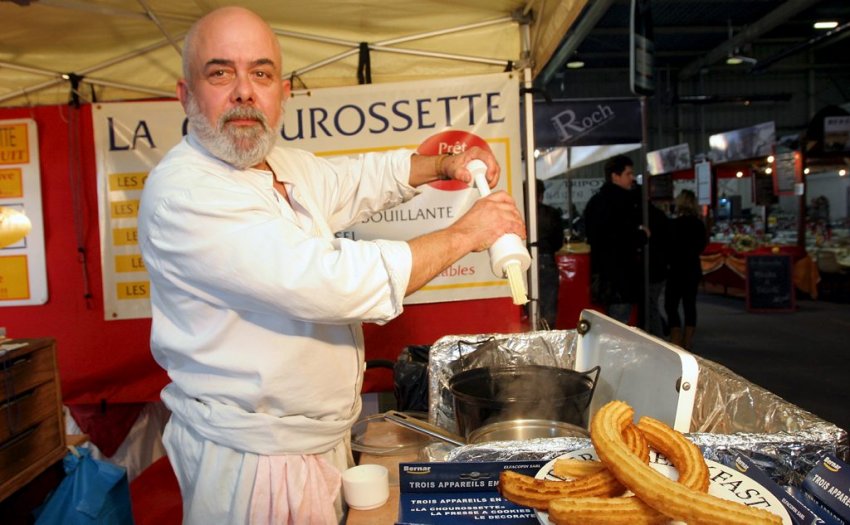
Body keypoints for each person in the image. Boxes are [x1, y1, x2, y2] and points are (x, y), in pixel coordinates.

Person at [137, 7, 526, 524]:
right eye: (219, 72)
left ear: (283, 91)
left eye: (261, 72)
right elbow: (331, 281)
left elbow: (356, 180)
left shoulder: (281, 164)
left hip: (315, 443)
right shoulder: (186, 194)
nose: (244, 91)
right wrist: (467, 233)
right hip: (255, 464)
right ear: (185, 95)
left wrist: (441, 164)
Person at [583, 154, 648, 324]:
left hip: (603, 277)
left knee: (610, 325)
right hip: (622, 278)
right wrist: (642, 235)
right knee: (619, 328)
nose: (632, 178)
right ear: (615, 176)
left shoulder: (595, 202)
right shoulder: (624, 202)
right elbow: (624, 238)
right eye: (628, 174)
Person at [664, 190, 707, 349]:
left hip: (676, 269)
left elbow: (667, 247)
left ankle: (676, 337)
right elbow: (702, 246)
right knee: (690, 304)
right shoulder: (699, 224)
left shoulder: (673, 224)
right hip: (693, 268)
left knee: (671, 304)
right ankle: (688, 341)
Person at [534, 179, 565, 328]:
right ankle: (546, 340)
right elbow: (558, 242)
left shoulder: (519, 212)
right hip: (547, 260)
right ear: (542, 194)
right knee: (548, 309)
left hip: (524, 263)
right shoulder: (552, 214)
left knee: (527, 307)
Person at [643, 200, 670, 337]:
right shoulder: (660, 216)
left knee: (650, 306)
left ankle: (658, 336)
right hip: (660, 267)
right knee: (652, 305)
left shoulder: (645, 217)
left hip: (652, 268)